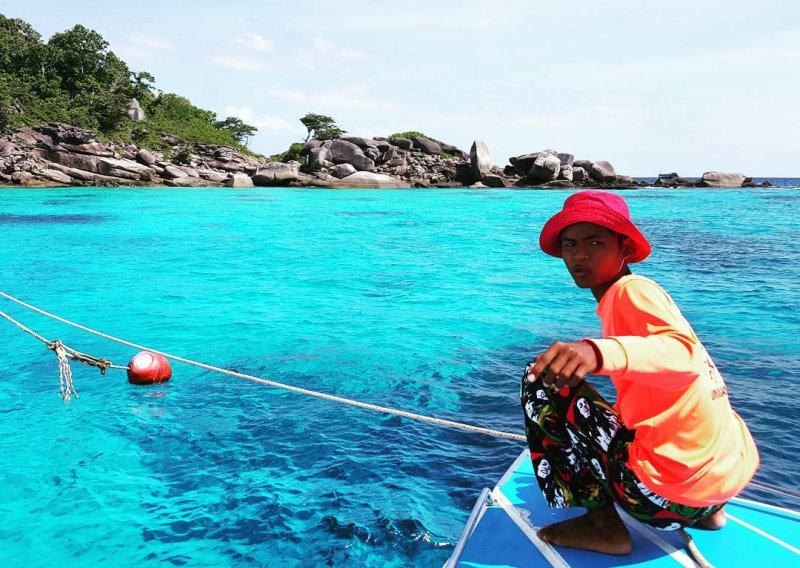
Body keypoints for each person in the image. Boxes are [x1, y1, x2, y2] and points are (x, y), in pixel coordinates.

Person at [521, 190, 759, 555]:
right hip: (724, 482)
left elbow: (682, 355)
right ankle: (705, 513)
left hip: (655, 499)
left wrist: (598, 351)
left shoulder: (631, 291)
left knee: (540, 379)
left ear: (625, 249)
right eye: (570, 244)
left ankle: (604, 528)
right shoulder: (642, 295)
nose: (579, 254)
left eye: (595, 242)